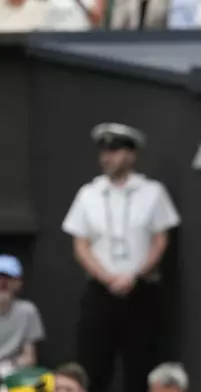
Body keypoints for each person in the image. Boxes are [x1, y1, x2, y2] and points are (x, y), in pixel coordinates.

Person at [62, 123, 181, 392]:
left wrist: (135, 275)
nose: (107, 157)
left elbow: (161, 240)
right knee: (92, 365)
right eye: (104, 151)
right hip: (100, 291)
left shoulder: (152, 192)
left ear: (131, 154)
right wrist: (107, 277)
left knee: (141, 366)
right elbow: (80, 245)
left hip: (141, 291)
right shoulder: (88, 194)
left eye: (114, 151)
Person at [0, 255, 45, 379]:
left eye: (8, 277)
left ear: (18, 282)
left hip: (13, 373)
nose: (2, 283)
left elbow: (30, 357)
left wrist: (8, 367)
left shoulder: (27, 311)